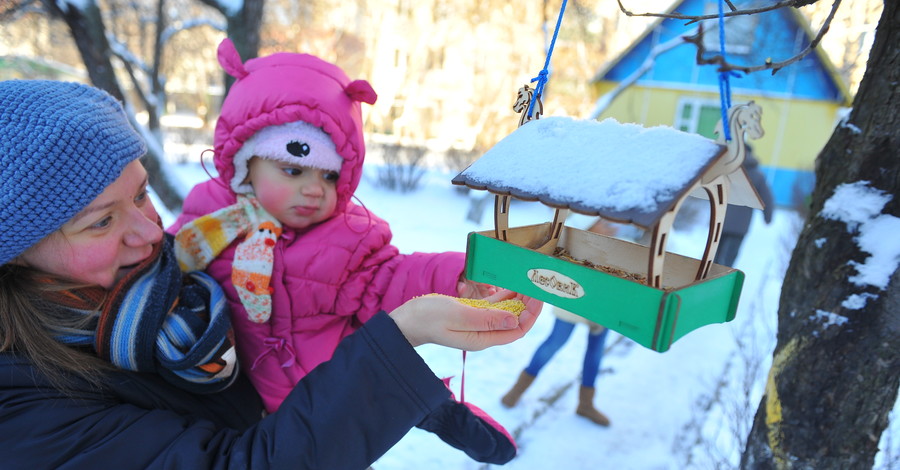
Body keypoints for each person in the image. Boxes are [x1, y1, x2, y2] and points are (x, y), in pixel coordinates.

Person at [0, 79, 542, 469]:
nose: (149, 231)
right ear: (16, 252)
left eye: (141, 193)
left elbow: (370, 276)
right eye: (101, 221)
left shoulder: (168, 276)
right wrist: (397, 344)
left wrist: (459, 279)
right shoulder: (23, 407)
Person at [167, 38, 513, 463]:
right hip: (245, 394)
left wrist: (458, 276)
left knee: (380, 380)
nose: (314, 190)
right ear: (243, 162)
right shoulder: (209, 220)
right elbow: (169, 262)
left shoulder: (348, 238)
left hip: (333, 385)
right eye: (292, 170)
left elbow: (392, 279)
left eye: (330, 177)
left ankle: (435, 408)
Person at [500, 217, 616, 427]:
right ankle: (517, 390)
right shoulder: (583, 218)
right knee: (555, 342)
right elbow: (561, 236)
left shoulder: (626, 225)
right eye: (604, 223)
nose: (610, 227)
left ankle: (585, 404)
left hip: (604, 298)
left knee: (595, 351)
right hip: (573, 292)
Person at [713, 147, 775, 267]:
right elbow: (767, 198)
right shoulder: (757, 175)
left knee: (715, 253)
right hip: (740, 225)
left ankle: (709, 278)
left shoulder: (728, 170)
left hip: (722, 220)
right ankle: (726, 278)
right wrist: (768, 217)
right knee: (729, 258)